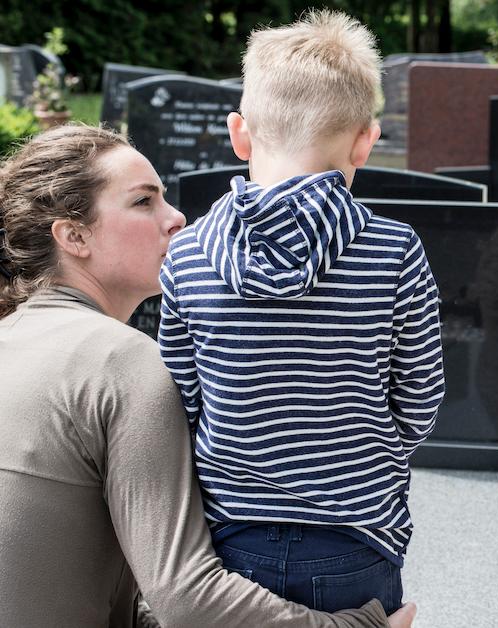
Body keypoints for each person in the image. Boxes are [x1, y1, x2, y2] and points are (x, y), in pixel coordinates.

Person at [0, 125, 416, 627]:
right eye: (143, 202)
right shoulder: (122, 362)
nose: (176, 218)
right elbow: (188, 598)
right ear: (74, 236)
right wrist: (359, 626)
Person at [157, 10, 445, 612]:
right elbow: (419, 397)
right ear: (366, 140)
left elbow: (181, 399)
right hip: (356, 535)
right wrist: (368, 452)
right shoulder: (393, 250)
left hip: (231, 539)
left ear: (239, 134)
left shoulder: (186, 255)